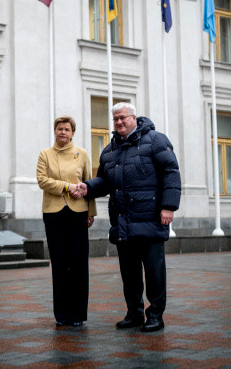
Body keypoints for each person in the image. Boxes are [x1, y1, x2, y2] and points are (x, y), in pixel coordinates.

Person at [76, 102, 180, 332]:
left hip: (151, 219)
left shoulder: (156, 140)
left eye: (123, 117)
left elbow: (171, 172)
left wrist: (168, 206)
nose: (119, 122)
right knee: (130, 274)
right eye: (115, 119)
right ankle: (134, 313)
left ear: (134, 118)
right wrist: (88, 187)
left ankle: (155, 315)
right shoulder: (110, 150)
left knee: (154, 272)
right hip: (123, 222)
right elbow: (105, 181)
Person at [36, 116, 96, 327]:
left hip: (78, 212)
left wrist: (91, 212)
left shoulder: (82, 154)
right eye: (59, 129)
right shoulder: (45, 154)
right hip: (54, 213)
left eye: (67, 129)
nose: (63, 132)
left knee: (79, 263)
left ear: (72, 133)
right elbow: (42, 180)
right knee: (59, 263)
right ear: (55, 131)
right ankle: (61, 314)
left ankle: (78, 314)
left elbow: (88, 184)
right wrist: (67, 187)